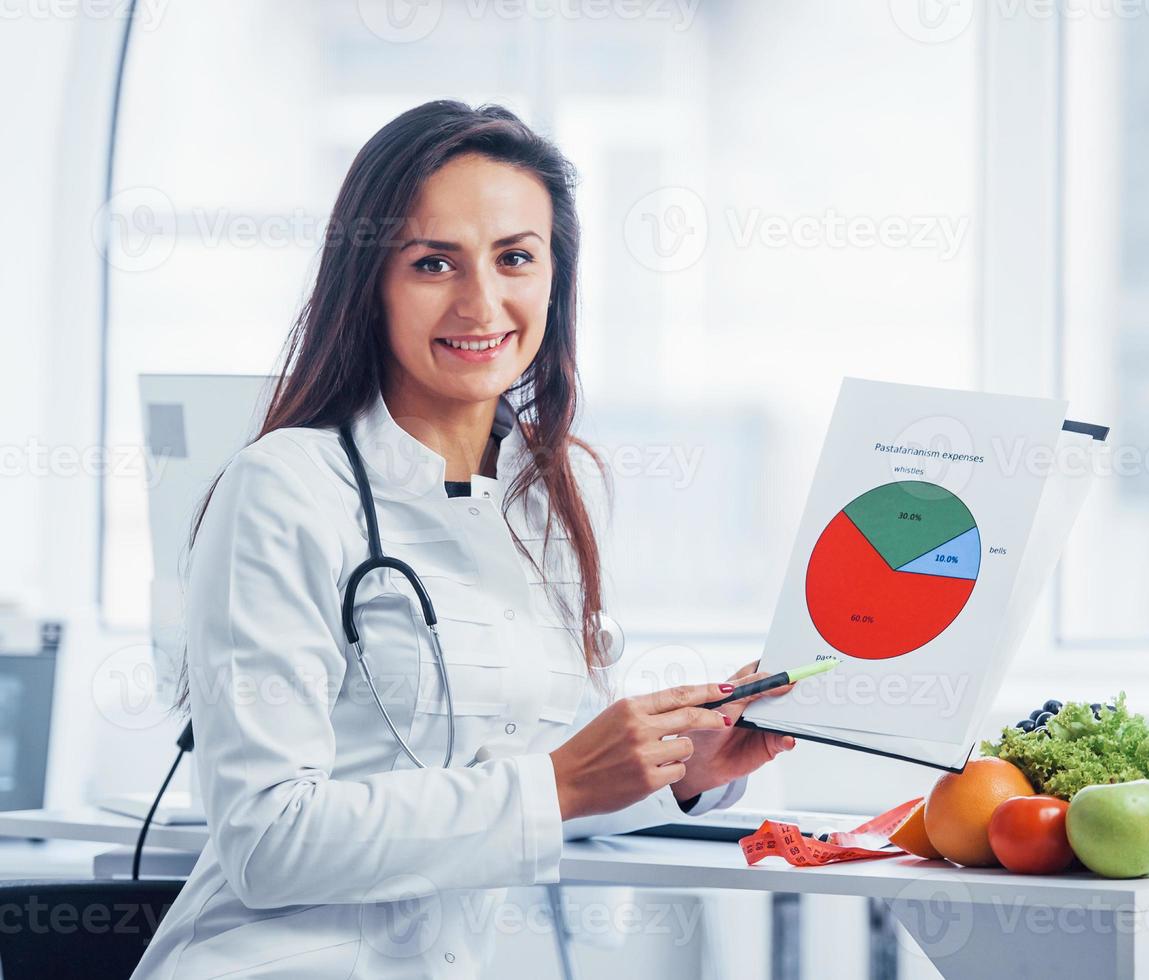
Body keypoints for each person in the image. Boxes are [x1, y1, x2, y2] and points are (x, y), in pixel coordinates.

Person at [130, 100, 795, 979]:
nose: (482, 303)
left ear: (555, 275)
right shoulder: (285, 488)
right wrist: (556, 781)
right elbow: (267, 840)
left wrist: (677, 769)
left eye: (515, 257)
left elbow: (519, 785)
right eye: (434, 262)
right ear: (368, 280)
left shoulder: (554, 492)